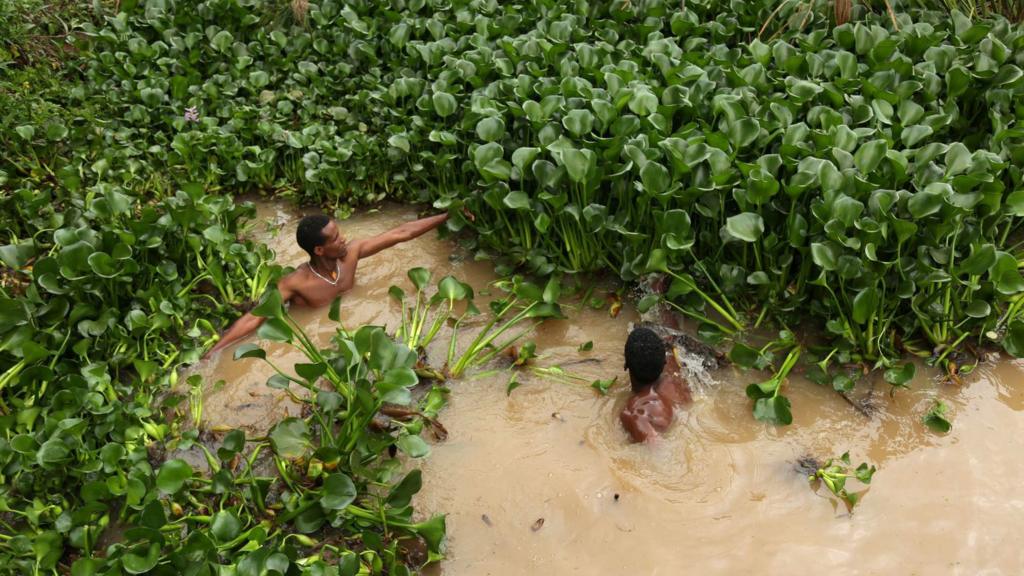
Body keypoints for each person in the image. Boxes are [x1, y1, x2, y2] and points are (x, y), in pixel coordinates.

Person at [203, 210, 453, 359]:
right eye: (335, 238)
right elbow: (254, 318)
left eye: (340, 232)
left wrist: (447, 215)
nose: (343, 239)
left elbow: (401, 233)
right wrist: (215, 351)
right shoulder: (296, 282)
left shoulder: (351, 252)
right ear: (320, 249)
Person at [619, 326, 692, 443]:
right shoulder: (675, 376)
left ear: (626, 365)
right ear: (665, 361)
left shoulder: (634, 413)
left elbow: (658, 452)